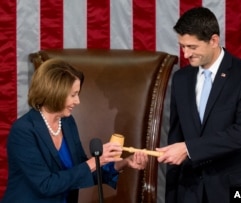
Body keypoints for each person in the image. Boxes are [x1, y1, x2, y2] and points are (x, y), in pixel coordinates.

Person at [2, 58, 148, 203]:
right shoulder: (23, 131)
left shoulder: (67, 122)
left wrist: (123, 163)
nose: (77, 101)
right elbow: (45, 185)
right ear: (54, 92)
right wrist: (95, 161)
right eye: (73, 95)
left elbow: (81, 172)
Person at [156, 7, 241, 203]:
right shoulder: (181, 79)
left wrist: (189, 149)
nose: (185, 53)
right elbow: (176, 136)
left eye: (192, 47)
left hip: (233, 189)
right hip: (189, 192)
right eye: (182, 46)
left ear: (214, 41)